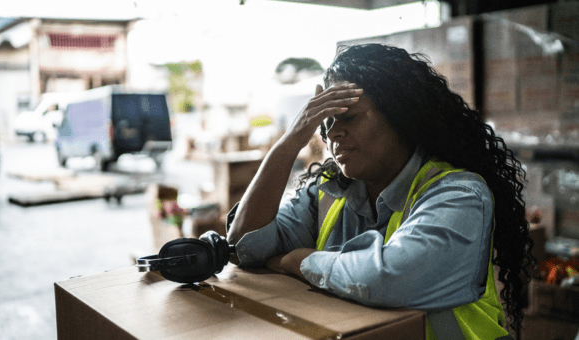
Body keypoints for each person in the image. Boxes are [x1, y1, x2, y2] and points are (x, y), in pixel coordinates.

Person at [226, 43, 533, 339]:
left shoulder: (460, 194)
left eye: (347, 116)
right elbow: (245, 247)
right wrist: (291, 140)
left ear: (401, 116)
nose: (332, 133)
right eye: (326, 121)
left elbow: (390, 278)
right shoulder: (328, 192)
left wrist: (297, 261)